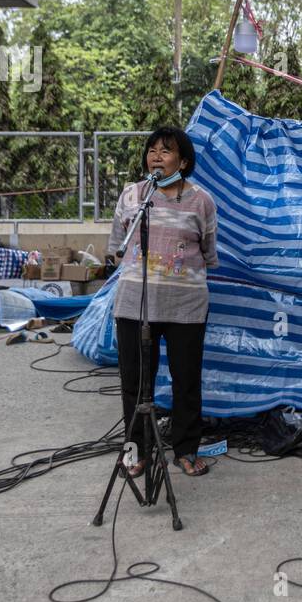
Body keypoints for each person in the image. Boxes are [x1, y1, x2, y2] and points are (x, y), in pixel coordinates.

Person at [107, 126, 220, 477]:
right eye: (152, 149)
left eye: (166, 150)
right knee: (135, 382)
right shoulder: (131, 196)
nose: (156, 155)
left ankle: (186, 450)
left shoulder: (201, 200)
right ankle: (137, 451)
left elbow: (209, 252)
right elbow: (116, 247)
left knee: (185, 380)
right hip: (134, 303)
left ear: (183, 161)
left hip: (184, 305)